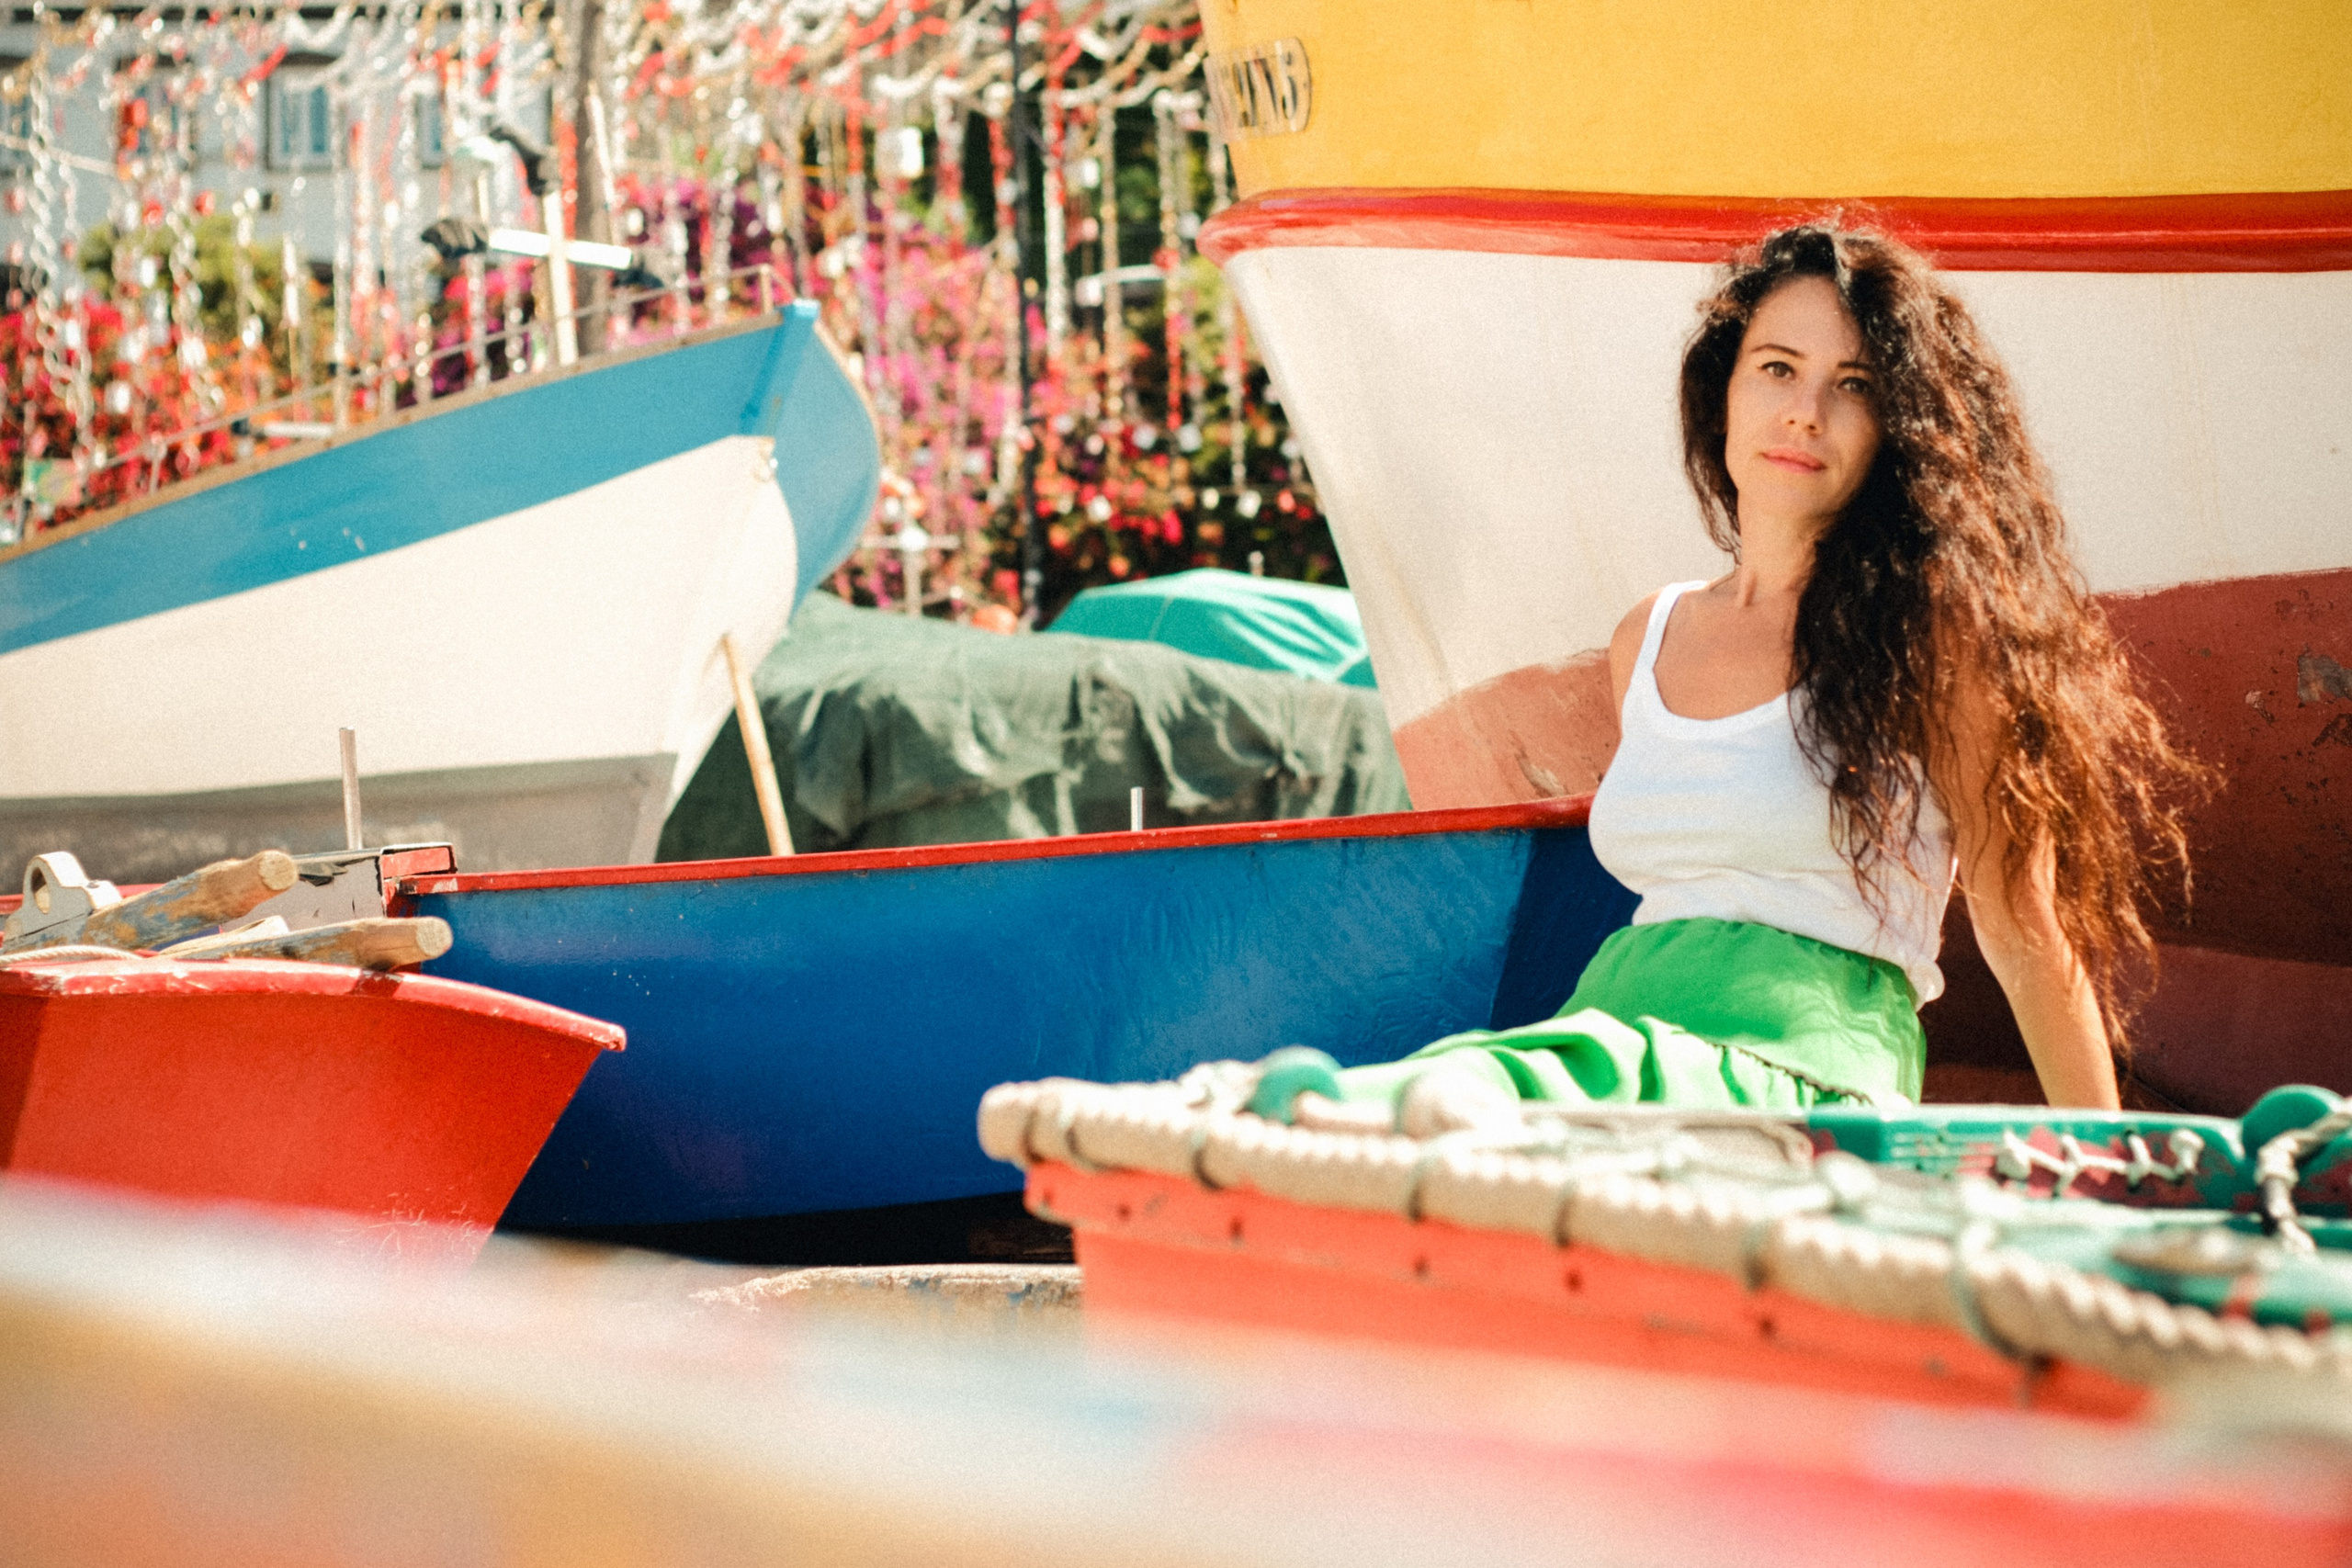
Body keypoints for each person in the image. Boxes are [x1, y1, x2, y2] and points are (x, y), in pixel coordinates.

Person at [1272, 223, 2201, 1118]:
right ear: (1725, 390)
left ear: (1895, 429)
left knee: (1410, 1105)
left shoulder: (1934, 637)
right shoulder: (1652, 632)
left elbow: (2017, 918)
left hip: (1799, 1070)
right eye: (1777, 369)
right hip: (1617, 1038)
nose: (1805, 409)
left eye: (1855, 384)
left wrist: (2112, 1163)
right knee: (1382, 1104)